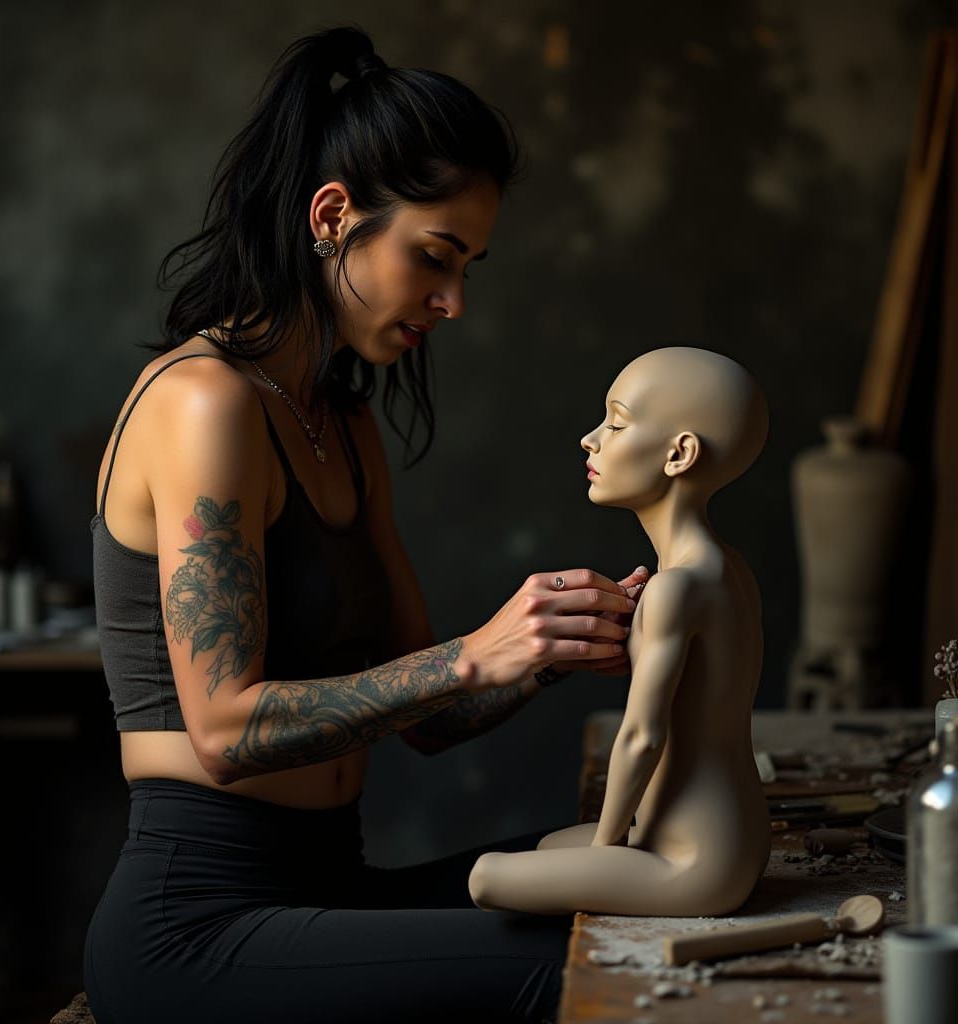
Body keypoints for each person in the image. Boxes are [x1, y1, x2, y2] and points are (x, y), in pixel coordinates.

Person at [83, 26, 648, 1024]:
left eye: (469, 263)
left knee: (636, 889)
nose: (454, 300)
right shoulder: (204, 403)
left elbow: (425, 719)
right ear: (333, 215)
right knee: (579, 977)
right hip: (197, 924)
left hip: (325, 885)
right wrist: (477, 652)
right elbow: (221, 729)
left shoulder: (340, 424)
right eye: (435, 255)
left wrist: (556, 643)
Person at [468, 347, 772, 917]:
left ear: (679, 454)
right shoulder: (728, 568)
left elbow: (642, 738)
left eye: (616, 421)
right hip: (740, 835)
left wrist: (610, 850)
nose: (591, 438)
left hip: (696, 862)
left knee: (486, 878)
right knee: (544, 848)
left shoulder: (675, 588)